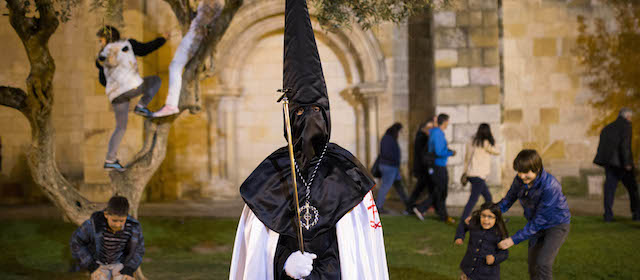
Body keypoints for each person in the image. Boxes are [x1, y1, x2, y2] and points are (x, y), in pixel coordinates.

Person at [228, 0, 389, 279]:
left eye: (316, 110)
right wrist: (284, 264)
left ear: (326, 114)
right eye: (300, 111)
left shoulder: (346, 171)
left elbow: (355, 248)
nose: (309, 118)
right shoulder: (272, 172)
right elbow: (258, 249)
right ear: (288, 119)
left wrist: (321, 273)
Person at [96, 26, 167, 171]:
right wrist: (163, 39)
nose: (100, 43)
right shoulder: (128, 44)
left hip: (116, 96)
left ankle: (110, 160)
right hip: (132, 88)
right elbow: (146, 49)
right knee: (155, 81)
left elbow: (103, 81)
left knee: (120, 127)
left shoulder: (101, 57)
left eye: (101, 40)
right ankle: (141, 106)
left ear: (108, 39)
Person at [496, 150, 571, 280]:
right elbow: (508, 200)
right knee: (533, 264)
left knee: (543, 263)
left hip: (556, 225)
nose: (522, 176)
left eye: (526, 173)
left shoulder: (550, 186)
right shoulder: (519, 180)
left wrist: (513, 240)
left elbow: (540, 220)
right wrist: (485, 213)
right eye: (519, 171)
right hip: (536, 224)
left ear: (537, 169)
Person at [153, 1, 222, 118]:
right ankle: (178, 102)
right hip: (195, 34)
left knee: (176, 67)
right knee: (177, 67)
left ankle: (173, 105)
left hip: (196, 36)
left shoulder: (213, 5)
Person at [70, 196, 144, 280]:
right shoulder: (93, 225)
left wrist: (129, 269)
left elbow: (139, 249)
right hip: (99, 264)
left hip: (120, 264)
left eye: (121, 221)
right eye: (114, 220)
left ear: (126, 217)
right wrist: (92, 266)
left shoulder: (133, 227)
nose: (117, 225)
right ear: (106, 214)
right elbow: (76, 243)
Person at [593, 108, 640, 222]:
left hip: (609, 164)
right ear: (627, 116)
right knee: (633, 188)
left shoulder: (607, 127)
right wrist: (627, 163)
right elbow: (625, 146)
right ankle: (637, 214)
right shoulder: (626, 126)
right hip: (622, 165)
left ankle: (608, 216)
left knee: (609, 189)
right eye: (630, 116)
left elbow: (602, 147)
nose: (631, 118)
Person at [455, 123, 500, 241]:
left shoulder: (472, 142)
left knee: (488, 198)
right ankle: (460, 232)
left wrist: (465, 173)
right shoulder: (486, 143)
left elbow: (466, 158)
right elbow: (497, 151)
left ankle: (494, 220)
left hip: (471, 175)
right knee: (471, 203)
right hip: (479, 176)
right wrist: (492, 139)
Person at [412, 113, 456, 224]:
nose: (448, 124)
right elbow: (439, 151)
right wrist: (450, 152)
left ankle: (443, 215)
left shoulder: (436, 133)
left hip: (438, 165)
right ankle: (422, 208)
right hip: (438, 165)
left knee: (440, 191)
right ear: (444, 122)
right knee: (440, 191)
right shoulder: (437, 133)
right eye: (447, 121)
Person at [456, 202, 509, 280]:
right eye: (483, 216)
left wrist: (494, 258)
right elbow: (463, 225)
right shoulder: (474, 224)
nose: (486, 220)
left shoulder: (498, 234)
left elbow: (504, 253)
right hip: (468, 270)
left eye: (490, 217)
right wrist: (460, 237)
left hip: (487, 275)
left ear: (496, 218)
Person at [375, 122, 410, 213]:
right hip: (389, 167)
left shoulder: (389, 138)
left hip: (392, 167)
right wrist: (395, 160)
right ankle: (378, 207)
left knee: (399, 186)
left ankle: (409, 204)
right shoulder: (388, 139)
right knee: (385, 187)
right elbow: (386, 153)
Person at [405, 118, 436, 213]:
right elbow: (423, 154)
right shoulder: (422, 138)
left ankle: (428, 206)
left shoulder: (421, 137)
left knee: (427, 188)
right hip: (423, 168)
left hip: (423, 167)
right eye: (429, 128)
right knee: (420, 189)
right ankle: (412, 207)